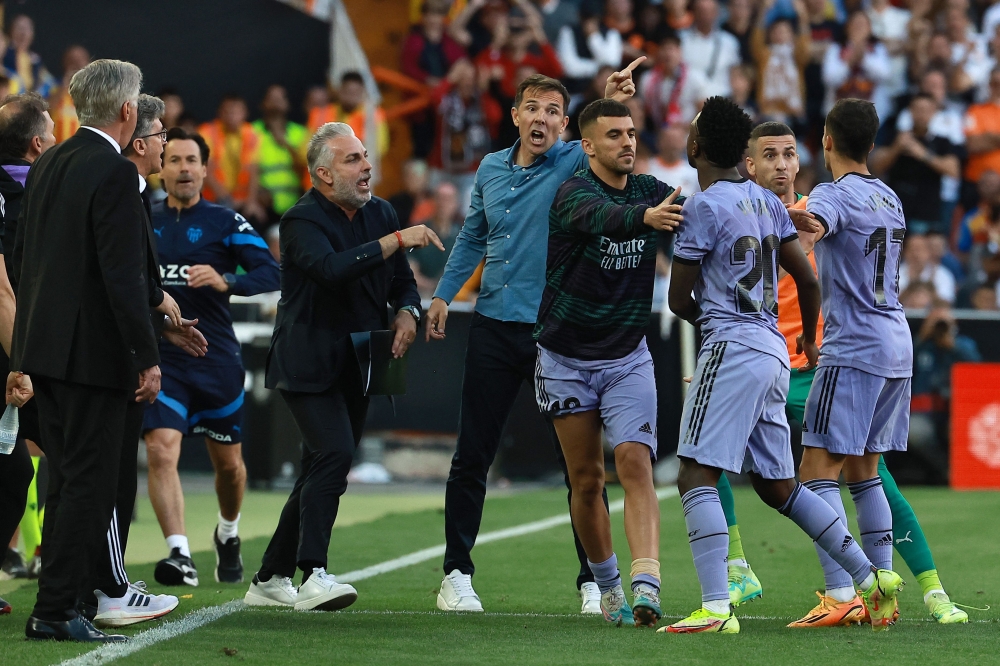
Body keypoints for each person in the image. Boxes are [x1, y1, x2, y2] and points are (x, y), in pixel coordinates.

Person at [662, 96, 901, 634]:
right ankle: (869, 579)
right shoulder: (767, 202)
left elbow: (679, 301)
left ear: (696, 147)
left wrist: (719, 328)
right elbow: (809, 279)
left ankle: (716, 609)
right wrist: (808, 343)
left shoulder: (702, 207)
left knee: (695, 472)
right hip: (775, 348)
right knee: (779, 486)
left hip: (733, 344)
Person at [722, 120, 969, 625]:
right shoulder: (875, 197)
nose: (782, 164)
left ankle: (906, 588)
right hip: (776, 361)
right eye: (769, 155)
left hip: (821, 361)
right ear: (749, 166)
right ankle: (737, 565)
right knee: (706, 451)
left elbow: (811, 232)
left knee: (856, 474)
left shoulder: (822, 205)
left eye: (789, 154)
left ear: (811, 153)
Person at [424, 64, 642, 614]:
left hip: (557, 334)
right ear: (516, 115)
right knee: (472, 452)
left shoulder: (573, 159)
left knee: (580, 467)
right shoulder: (491, 169)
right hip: (495, 326)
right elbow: (473, 233)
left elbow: (603, 135)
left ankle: (592, 579)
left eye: (553, 111)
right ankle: (456, 574)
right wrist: (445, 295)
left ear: (565, 126)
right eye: (533, 109)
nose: (542, 119)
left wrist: (606, 97)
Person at [243, 122, 440, 611]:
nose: (367, 166)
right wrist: (396, 239)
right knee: (334, 455)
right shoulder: (301, 221)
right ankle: (313, 573)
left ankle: (269, 578)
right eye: (353, 160)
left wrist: (407, 314)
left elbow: (402, 283)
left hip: (361, 359)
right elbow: (332, 270)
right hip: (307, 358)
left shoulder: (382, 213)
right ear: (324, 175)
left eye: (365, 156)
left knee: (319, 465)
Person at [11, 59, 160, 643]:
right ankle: (56, 610)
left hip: (42, 347)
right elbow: (120, 276)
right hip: (90, 356)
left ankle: (58, 604)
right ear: (128, 111)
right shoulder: (115, 172)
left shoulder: (47, 162)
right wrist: (146, 355)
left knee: (67, 477)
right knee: (86, 483)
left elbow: (23, 259)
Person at [534, 99, 682, 628]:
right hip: (565, 358)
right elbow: (602, 218)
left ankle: (646, 584)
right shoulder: (573, 194)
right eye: (614, 135)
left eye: (631, 132)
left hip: (626, 356)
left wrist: (778, 209)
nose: (627, 142)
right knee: (587, 478)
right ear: (588, 146)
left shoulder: (650, 190)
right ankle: (608, 585)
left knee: (635, 463)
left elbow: (706, 210)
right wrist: (645, 219)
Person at [794, 97, 913, 631]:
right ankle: (881, 595)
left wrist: (787, 220)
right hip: (897, 346)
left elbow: (813, 225)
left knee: (816, 471)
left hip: (855, 346)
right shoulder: (890, 197)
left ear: (826, 139)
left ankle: (846, 590)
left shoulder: (831, 193)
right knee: (866, 471)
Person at [144, 128, 279, 588]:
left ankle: (228, 531)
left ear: (205, 169)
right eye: (175, 159)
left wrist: (226, 280)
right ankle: (180, 554)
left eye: (191, 161)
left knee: (229, 467)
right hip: (163, 357)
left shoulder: (226, 221)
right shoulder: (141, 217)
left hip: (216, 358)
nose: (183, 168)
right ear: (161, 168)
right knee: (161, 450)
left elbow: (270, 272)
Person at [85, 94, 201, 628]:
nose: (163, 147)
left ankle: (99, 583)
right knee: (102, 477)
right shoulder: (117, 187)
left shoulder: (109, 183)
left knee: (93, 474)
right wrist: (147, 352)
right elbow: (122, 279)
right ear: (137, 138)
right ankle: (105, 587)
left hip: (99, 350)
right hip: (104, 357)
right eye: (159, 138)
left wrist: (159, 316)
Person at [0, 92, 51, 586]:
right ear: (37, 144)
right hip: (22, 353)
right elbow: (5, 291)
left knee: (17, 471)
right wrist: (24, 362)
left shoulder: (38, 191)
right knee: (71, 454)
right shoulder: (42, 196)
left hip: (21, 349)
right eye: (53, 133)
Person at [872, 94, 962, 235]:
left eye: (926, 110)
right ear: (910, 111)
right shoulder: (895, 136)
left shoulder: (942, 141)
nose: (922, 114)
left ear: (934, 112)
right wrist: (896, 148)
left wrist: (923, 154)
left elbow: (954, 170)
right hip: (895, 211)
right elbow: (876, 166)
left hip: (927, 211)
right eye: (918, 109)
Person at [199, 94, 268, 227]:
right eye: (228, 111)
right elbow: (207, 170)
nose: (232, 115)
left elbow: (253, 172)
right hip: (214, 200)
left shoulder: (251, 134)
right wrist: (229, 201)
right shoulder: (207, 132)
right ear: (220, 112)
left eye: (236, 111)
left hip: (242, 201)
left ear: (245, 113)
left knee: (255, 218)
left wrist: (251, 202)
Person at [252, 85, 309, 220]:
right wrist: (257, 193)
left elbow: (307, 171)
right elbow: (245, 170)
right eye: (272, 98)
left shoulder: (301, 133)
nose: (276, 103)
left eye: (280, 98)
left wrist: (285, 144)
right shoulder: (252, 132)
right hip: (262, 209)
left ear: (288, 104)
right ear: (262, 104)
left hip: (296, 206)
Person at [307, 72, 389, 159]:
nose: (351, 97)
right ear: (340, 91)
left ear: (362, 93)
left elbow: (380, 147)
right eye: (348, 92)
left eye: (355, 93)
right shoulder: (320, 114)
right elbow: (305, 150)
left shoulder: (373, 115)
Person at [638, 30, 708, 129]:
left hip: (689, 134)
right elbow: (642, 111)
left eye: (671, 49)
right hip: (657, 133)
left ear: (680, 52)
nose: (668, 54)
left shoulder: (695, 77)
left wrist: (686, 128)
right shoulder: (647, 79)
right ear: (658, 53)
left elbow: (704, 111)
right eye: (664, 49)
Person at [410, 181, 464, 298]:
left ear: (456, 204)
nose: (443, 203)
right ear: (433, 201)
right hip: (422, 294)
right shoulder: (417, 232)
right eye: (440, 198)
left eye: (448, 199)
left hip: (455, 296)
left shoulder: (464, 236)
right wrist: (435, 286)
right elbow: (411, 273)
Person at [681, 0, 742, 98]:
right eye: (702, 11)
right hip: (689, 102)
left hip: (722, 101)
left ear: (716, 13)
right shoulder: (682, 40)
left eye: (710, 11)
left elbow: (735, 74)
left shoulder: (729, 42)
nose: (706, 15)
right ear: (694, 12)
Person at [3, 15, 55, 97]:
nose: (23, 33)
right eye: (19, 28)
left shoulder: (35, 60)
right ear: (10, 31)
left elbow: (50, 83)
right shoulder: (3, 55)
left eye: (27, 29)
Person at [49, 45, 89, 143]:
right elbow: (45, 109)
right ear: (65, 63)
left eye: (80, 60)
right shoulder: (53, 87)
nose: (77, 64)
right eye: (72, 60)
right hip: (55, 150)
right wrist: (65, 85)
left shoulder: (94, 93)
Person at [647, 123, 700, 195]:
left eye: (677, 140)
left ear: (684, 143)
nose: (673, 144)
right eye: (669, 140)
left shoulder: (693, 173)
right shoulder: (647, 168)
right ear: (659, 142)